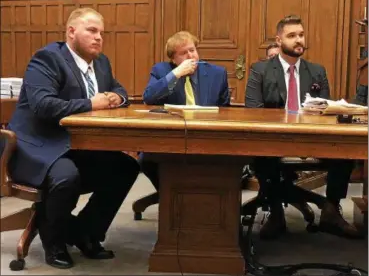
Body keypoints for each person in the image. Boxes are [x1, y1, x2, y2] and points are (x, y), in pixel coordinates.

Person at [7, 7, 140, 269]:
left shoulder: (101, 62)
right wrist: (91, 102)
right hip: (39, 145)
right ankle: (53, 240)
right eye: (91, 30)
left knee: (126, 167)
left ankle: (85, 233)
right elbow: (44, 105)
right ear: (71, 32)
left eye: (101, 32)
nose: (99, 37)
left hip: (77, 144)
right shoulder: (47, 59)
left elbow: (118, 88)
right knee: (66, 177)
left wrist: (118, 98)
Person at [245, 15, 361, 240]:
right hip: (274, 140)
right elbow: (253, 111)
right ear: (279, 41)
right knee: (262, 157)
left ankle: (331, 210)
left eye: (301, 34)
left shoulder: (317, 71)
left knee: (346, 151)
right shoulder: (260, 70)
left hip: (312, 138)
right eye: (292, 36)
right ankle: (276, 213)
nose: (299, 40)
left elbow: (325, 113)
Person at [141, 30, 230, 192]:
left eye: (192, 50)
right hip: (172, 136)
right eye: (183, 53)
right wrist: (176, 74)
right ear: (173, 59)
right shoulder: (162, 70)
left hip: (207, 135)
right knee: (146, 158)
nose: (190, 56)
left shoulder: (217, 73)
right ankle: (169, 194)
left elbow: (224, 109)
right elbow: (148, 97)